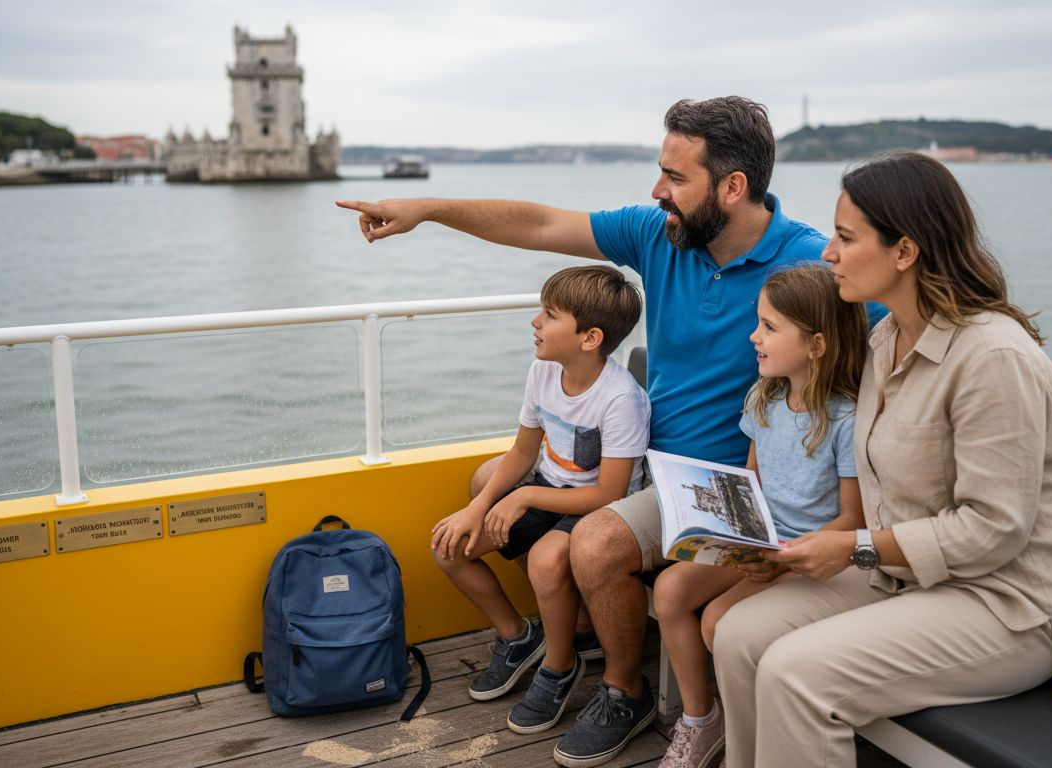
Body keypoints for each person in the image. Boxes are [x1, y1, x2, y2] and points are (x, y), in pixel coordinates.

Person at [339, 96, 885, 768]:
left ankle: (623, 690)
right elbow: (539, 224)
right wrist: (429, 211)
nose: (658, 191)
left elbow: (899, 327)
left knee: (595, 544)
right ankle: (561, 636)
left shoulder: (809, 270)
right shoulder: (661, 234)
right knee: (491, 479)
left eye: (676, 177)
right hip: (652, 465)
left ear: (732, 187)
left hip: (726, 485)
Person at [711, 151, 1052, 768]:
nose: (827, 254)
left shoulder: (994, 360)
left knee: (795, 673)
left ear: (905, 252)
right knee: (738, 636)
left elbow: (993, 529)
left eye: (844, 237)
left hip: (1005, 606)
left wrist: (852, 546)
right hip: (907, 577)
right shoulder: (885, 340)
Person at [650, 263, 867, 768]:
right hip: (761, 541)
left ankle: (751, 735)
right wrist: (716, 522)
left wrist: (778, 556)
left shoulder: (845, 418)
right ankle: (703, 720)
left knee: (720, 622)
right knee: (670, 591)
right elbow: (751, 488)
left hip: (808, 556)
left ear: (815, 344)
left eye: (769, 327)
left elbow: (852, 519)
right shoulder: (764, 397)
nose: (754, 336)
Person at [430, 264, 651, 736]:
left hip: (598, 508)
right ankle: (518, 636)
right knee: (449, 548)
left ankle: (558, 666)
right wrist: (478, 508)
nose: (535, 322)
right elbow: (523, 451)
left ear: (589, 338)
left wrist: (526, 495)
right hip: (551, 490)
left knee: (547, 559)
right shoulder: (542, 371)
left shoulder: (620, 399)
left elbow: (609, 493)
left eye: (549, 315)